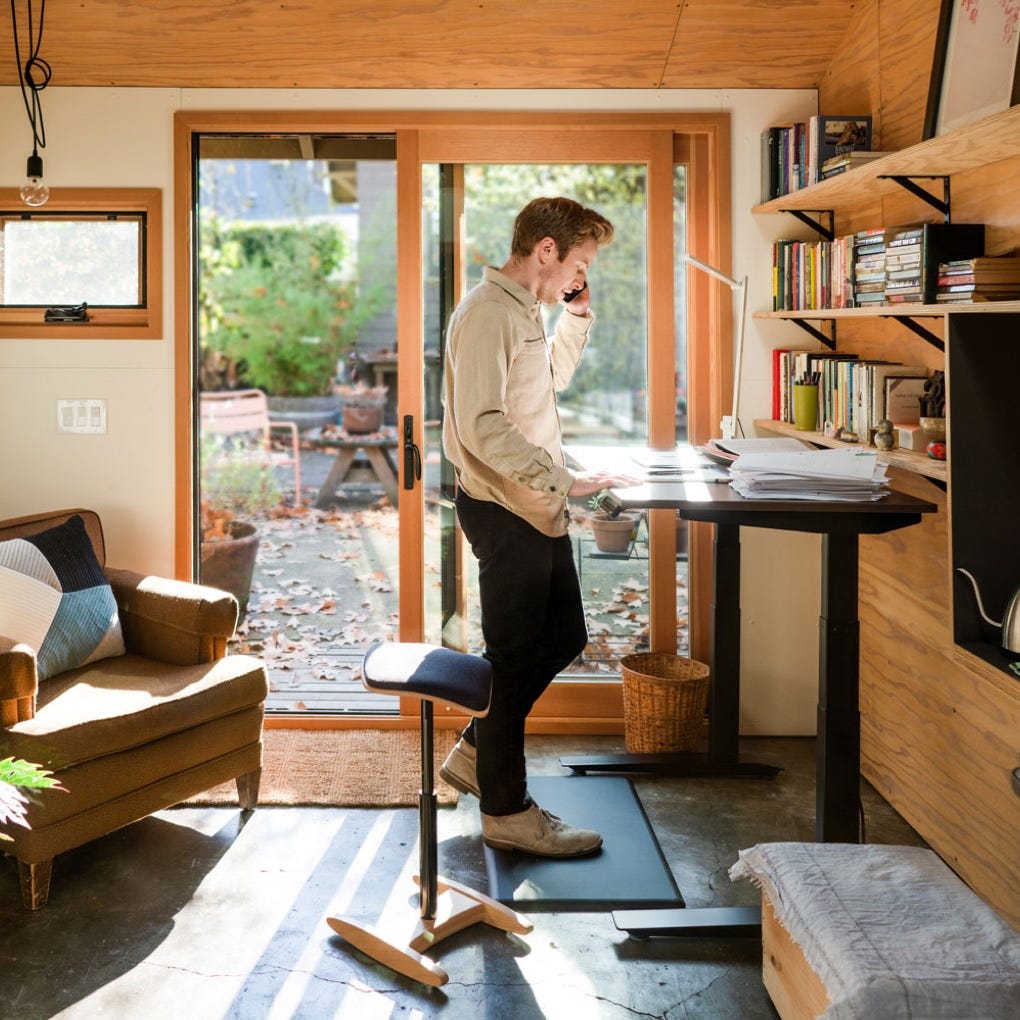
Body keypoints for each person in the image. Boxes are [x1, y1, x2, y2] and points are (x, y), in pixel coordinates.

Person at [440, 196, 638, 857]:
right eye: (578, 263)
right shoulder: (486, 313)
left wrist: (576, 318)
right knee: (514, 659)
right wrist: (566, 480)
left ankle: (475, 751)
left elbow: (543, 384)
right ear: (546, 251)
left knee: (561, 637)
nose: (579, 276)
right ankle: (507, 813)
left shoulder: (526, 311)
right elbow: (483, 424)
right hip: (505, 508)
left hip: (533, 503)